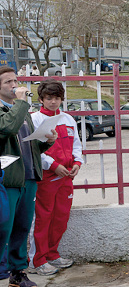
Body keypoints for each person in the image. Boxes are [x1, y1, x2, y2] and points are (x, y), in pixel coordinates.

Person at [0, 66, 56, 287]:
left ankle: (17, 272)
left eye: (15, 80)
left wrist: (47, 141)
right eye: (8, 82)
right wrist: (21, 103)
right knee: (5, 227)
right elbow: (7, 128)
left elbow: (28, 143)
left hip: (28, 178)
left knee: (22, 227)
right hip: (9, 180)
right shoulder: (12, 111)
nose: (14, 85)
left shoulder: (22, 112)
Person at [29, 80, 83, 276]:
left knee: (61, 217)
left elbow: (76, 145)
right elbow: (33, 150)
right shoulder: (34, 119)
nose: (53, 102)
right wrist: (53, 165)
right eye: (49, 98)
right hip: (46, 178)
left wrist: (77, 163)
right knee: (43, 218)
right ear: (41, 99)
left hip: (66, 177)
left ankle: (52, 254)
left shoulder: (68, 119)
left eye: (57, 98)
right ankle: (38, 260)